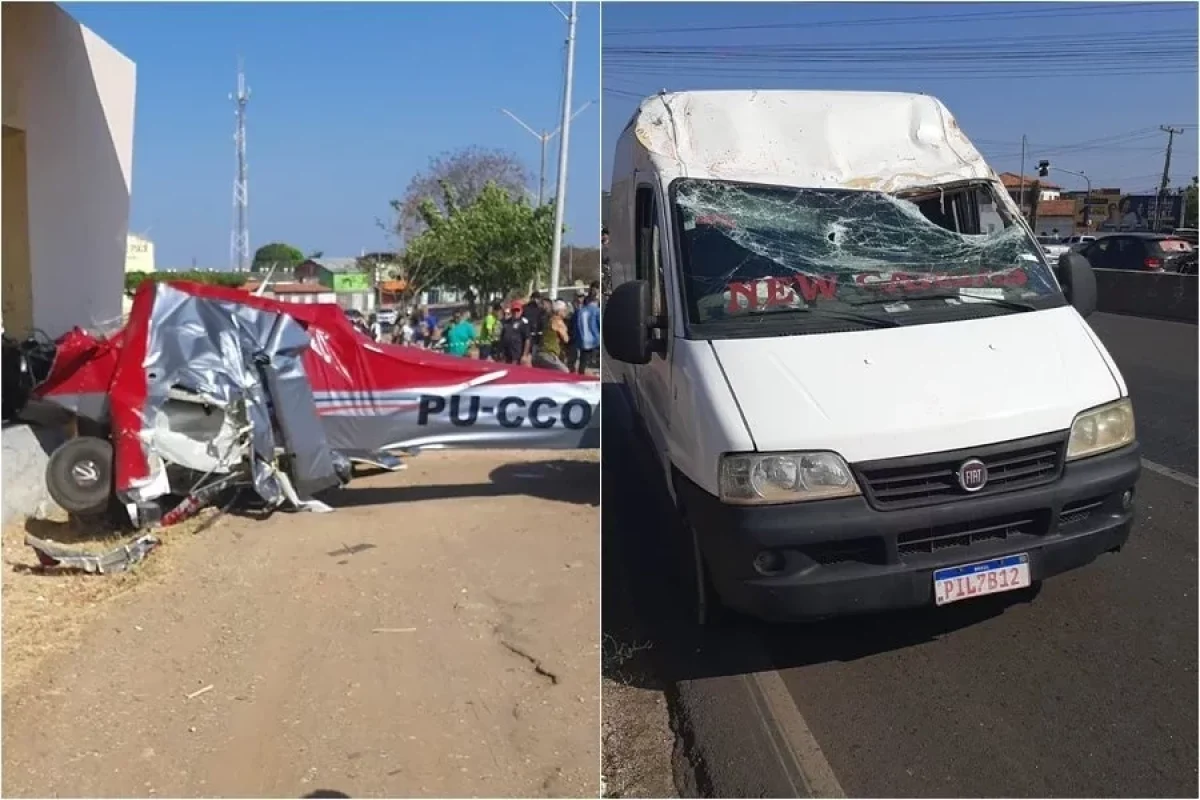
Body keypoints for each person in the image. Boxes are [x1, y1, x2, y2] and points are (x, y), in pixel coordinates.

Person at [535, 300, 571, 372]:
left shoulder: (548, 319)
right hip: (549, 355)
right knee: (566, 372)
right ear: (559, 311)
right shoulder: (558, 321)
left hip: (540, 354)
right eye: (564, 310)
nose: (566, 312)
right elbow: (566, 339)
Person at [575, 291, 601, 374]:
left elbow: (576, 326)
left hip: (582, 340)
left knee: (583, 361)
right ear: (595, 302)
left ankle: (581, 377)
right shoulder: (596, 310)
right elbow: (600, 324)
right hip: (595, 340)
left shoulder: (580, 311)